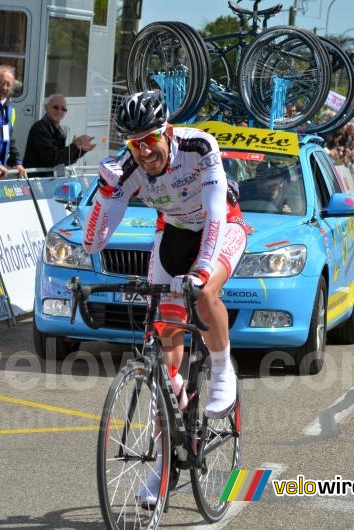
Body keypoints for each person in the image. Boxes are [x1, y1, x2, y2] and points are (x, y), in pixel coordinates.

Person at [82, 91, 247, 506]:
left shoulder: (198, 147)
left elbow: (215, 215)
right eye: (134, 143)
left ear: (167, 132)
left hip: (222, 227)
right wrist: (104, 192)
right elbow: (93, 242)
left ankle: (222, 370)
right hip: (171, 234)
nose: (144, 151)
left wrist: (202, 271)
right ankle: (165, 462)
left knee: (204, 292)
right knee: (161, 356)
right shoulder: (127, 168)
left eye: (150, 139)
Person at [22, 94, 96, 172]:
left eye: (63, 109)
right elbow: (53, 160)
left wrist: (80, 150)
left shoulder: (60, 131)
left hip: (50, 177)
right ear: (46, 108)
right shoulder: (39, 128)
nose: (59, 111)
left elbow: (63, 160)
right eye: (55, 107)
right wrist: (76, 145)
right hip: (36, 177)